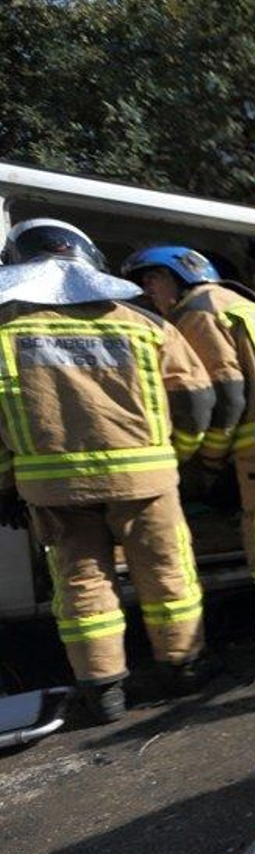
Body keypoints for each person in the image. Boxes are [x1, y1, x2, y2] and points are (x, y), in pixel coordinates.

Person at [0, 220, 218, 721]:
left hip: (55, 488)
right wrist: (177, 454)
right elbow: (198, 398)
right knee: (167, 572)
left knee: (81, 581)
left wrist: (7, 482)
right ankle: (183, 668)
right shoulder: (144, 325)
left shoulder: (6, 330)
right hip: (147, 479)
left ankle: (103, 691)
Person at [123, 246, 255, 647]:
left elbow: (226, 393)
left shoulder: (197, 311)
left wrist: (207, 461)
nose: (147, 294)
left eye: (150, 282)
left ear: (176, 276)